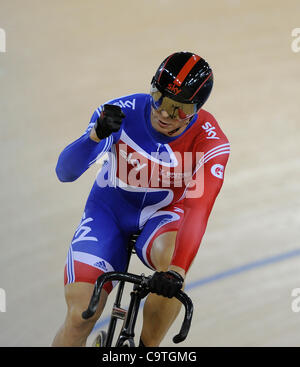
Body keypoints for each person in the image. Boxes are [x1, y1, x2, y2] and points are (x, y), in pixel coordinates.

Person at [52, 51, 230, 347]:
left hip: (164, 217)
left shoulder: (211, 141)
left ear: (196, 109)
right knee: (81, 315)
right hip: (108, 212)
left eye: (178, 110)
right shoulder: (121, 112)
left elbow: (199, 207)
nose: (163, 113)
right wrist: (94, 136)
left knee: (174, 272)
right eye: (159, 98)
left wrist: (175, 271)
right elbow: (65, 172)